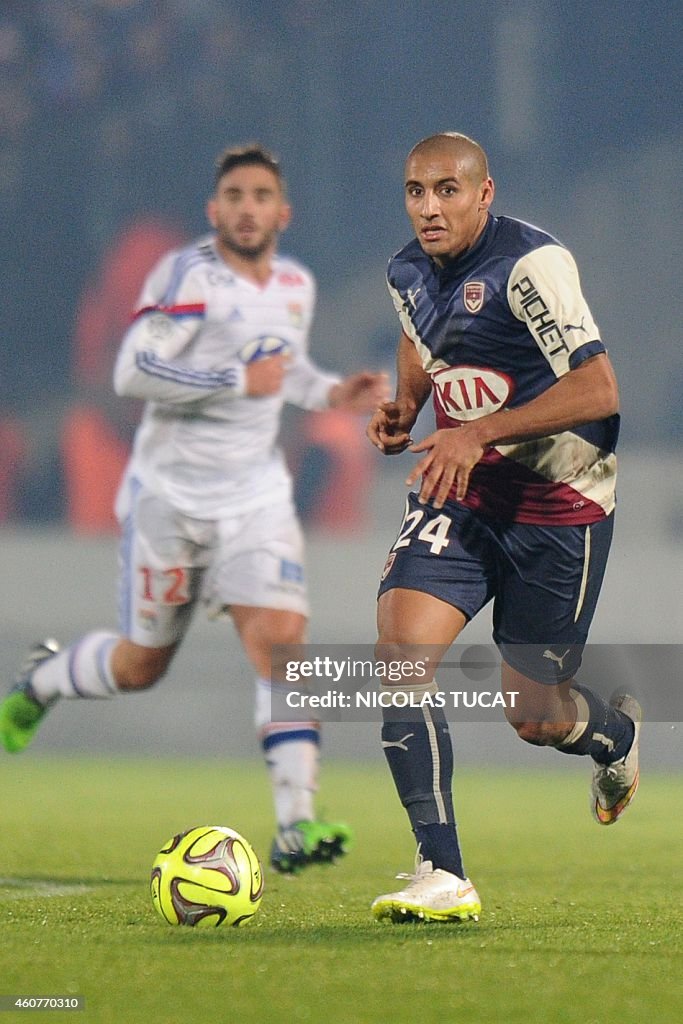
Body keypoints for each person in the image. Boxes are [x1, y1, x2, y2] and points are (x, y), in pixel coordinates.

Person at [0, 143, 388, 872]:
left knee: (281, 650)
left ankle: (296, 823)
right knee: (142, 663)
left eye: (260, 196)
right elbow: (130, 370)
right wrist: (234, 377)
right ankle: (45, 679)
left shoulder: (295, 287)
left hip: (254, 500)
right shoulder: (183, 278)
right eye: (234, 196)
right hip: (172, 501)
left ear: (282, 212)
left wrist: (329, 392)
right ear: (215, 212)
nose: (247, 208)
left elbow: (286, 370)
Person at [366, 132, 640, 922]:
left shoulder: (531, 267)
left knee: (534, 715)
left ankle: (612, 735)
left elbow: (597, 390)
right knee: (399, 655)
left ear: (485, 193)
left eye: (447, 190)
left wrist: (476, 429)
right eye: (416, 191)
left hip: (560, 507)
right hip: (462, 494)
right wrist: (406, 406)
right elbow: (421, 339)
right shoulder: (404, 270)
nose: (428, 207)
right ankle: (440, 870)